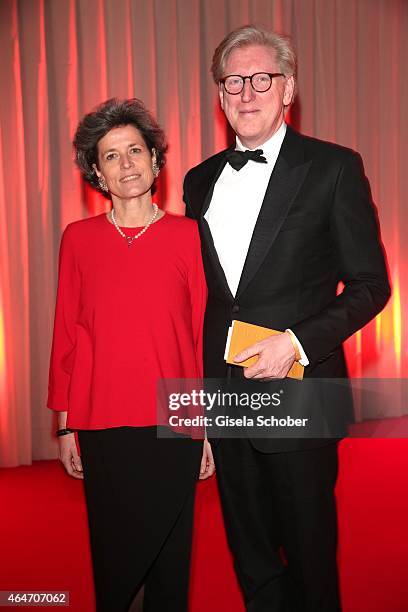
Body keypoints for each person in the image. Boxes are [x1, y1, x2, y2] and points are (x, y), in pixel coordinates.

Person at [183, 25, 390, 612]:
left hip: (300, 393)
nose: (247, 93)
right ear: (220, 94)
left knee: (309, 555)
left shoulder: (333, 168)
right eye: (233, 81)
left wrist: (296, 343)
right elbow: (208, 298)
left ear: (288, 88)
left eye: (261, 78)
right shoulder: (198, 182)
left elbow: (372, 286)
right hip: (224, 399)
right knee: (250, 556)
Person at [47, 97, 214, 612]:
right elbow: (67, 334)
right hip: (101, 419)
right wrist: (65, 423)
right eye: (112, 156)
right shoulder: (78, 239)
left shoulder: (189, 235)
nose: (126, 165)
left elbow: (199, 335)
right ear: (97, 172)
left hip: (173, 421)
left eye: (135, 151)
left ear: (156, 160)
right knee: (116, 555)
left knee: (170, 554)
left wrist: (205, 425)